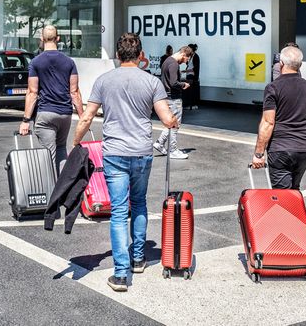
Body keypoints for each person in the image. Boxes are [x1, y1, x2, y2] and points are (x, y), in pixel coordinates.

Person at [72, 32, 178, 292]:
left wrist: (76, 142)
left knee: (119, 211)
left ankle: (120, 274)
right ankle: (139, 259)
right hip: (142, 152)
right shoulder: (152, 82)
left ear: (118, 55)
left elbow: (87, 117)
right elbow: (166, 119)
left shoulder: (104, 81)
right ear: (141, 54)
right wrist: (173, 119)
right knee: (139, 203)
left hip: (115, 153)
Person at [251, 45, 306, 190]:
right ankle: (295, 212)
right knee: (294, 188)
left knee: (282, 195)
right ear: (300, 65)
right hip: (305, 149)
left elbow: (268, 122)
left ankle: (287, 212)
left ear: (281, 63)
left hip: (281, 149)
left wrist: (259, 154)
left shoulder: (273, 88)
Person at [19, 25, 84, 176]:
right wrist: (82, 116)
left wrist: (25, 120)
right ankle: (64, 191)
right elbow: (74, 92)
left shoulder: (36, 62)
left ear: (41, 39)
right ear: (58, 38)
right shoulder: (69, 62)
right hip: (64, 115)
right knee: (61, 149)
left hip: (46, 114)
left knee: (48, 155)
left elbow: (32, 92)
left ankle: (52, 194)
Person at [152, 45, 193, 159]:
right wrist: (183, 84)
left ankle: (160, 143)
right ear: (183, 54)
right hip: (174, 98)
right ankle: (173, 150)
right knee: (175, 124)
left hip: (166, 96)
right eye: (186, 59)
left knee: (171, 123)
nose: (185, 62)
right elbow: (174, 82)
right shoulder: (174, 64)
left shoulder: (167, 61)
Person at [185, 43, 200, 109]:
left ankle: (193, 105)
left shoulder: (196, 56)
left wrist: (186, 71)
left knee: (192, 91)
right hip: (189, 75)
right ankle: (190, 105)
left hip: (192, 76)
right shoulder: (190, 56)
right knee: (189, 91)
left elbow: (195, 68)